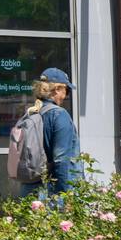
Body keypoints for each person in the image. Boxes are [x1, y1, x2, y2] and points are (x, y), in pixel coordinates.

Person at [18, 67, 82, 198]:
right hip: (52, 193)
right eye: (66, 90)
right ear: (57, 89)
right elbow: (62, 160)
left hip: (29, 191)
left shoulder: (30, 114)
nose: (66, 96)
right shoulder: (59, 115)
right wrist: (66, 196)